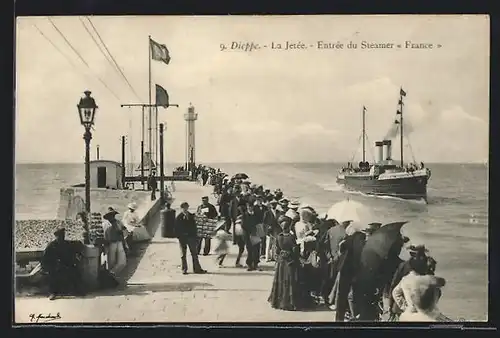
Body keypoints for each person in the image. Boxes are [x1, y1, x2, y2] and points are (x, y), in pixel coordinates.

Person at [268, 218, 313, 311]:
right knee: (290, 281)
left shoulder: (279, 237)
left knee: (281, 281)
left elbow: (276, 250)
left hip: (281, 262)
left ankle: (279, 301)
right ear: (288, 228)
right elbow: (294, 251)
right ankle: (290, 302)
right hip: (290, 262)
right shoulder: (291, 237)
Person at [41, 227, 86, 300]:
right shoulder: (51, 245)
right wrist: (48, 267)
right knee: (53, 275)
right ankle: (53, 293)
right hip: (56, 266)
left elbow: (78, 245)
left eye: (62, 236)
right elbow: (45, 258)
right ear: (56, 236)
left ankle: (79, 290)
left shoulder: (67, 244)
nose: (61, 237)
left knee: (75, 271)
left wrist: (78, 255)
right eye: (59, 236)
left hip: (67, 265)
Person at [174, 202, 207, 275]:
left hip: (191, 237)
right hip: (183, 238)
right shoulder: (179, 217)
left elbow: (194, 227)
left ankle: (197, 269)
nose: (185, 209)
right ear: (181, 208)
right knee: (183, 255)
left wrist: (196, 236)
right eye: (184, 207)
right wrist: (179, 237)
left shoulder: (191, 216)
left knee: (194, 254)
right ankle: (184, 269)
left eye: (186, 207)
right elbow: (176, 229)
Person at [103, 209, 127, 281]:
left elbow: (124, 231)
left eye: (113, 215)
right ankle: (112, 279)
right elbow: (104, 236)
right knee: (111, 262)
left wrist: (124, 244)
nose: (112, 217)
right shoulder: (105, 224)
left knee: (122, 262)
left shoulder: (119, 222)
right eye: (110, 215)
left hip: (119, 242)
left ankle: (112, 272)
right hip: (110, 244)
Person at [243, 201, 261, 271]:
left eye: (251, 207)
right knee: (250, 250)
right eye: (248, 207)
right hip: (248, 235)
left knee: (256, 249)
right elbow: (243, 225)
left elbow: (259, 223)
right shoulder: (244, 215)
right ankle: (249, 264)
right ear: (247, 207)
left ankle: (256, 264)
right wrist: (249, 232)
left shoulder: (256, 214)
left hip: (256, 234)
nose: (250, 208)